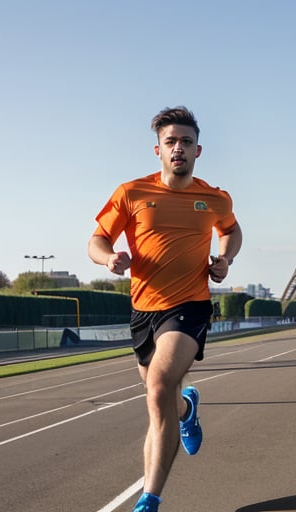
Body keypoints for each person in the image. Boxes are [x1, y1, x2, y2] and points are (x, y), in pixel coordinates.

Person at [88, 106, 242, 512]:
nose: (178, 149)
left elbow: (231, 229)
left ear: (198, 151)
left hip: (190, 305)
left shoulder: (214, 198)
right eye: (171, 142)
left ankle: (149, 499)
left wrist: (224, 259)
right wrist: (108, 259)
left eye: (186, 142)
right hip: (144, 310)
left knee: (157, 388)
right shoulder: (131, 193)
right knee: (164, 397)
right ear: (157, 150)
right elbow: (97, 240)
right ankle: (187, 408)